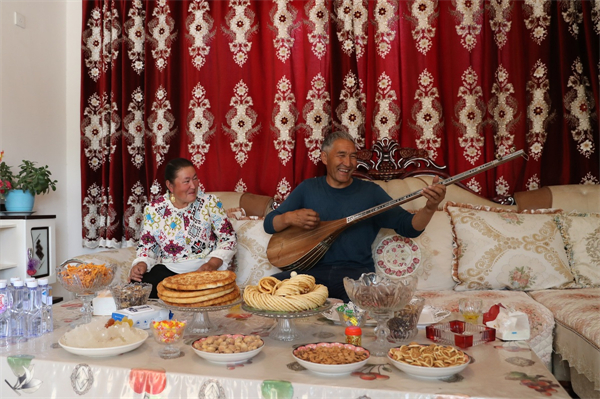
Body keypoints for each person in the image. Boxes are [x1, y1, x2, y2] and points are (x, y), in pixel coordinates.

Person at [263, 131, 446, 302]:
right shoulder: (307, 189)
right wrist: (289, 217)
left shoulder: (371, 193)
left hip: (356, 276)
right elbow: (269, 224)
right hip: (308, 275)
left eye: (353, 157)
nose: (348, 163)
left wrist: (430, 206)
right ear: (324, 158)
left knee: (369, 306)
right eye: (341, 155)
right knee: (267, 291)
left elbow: (409, 227)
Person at [129, 158, 237, 298]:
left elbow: (229, 239)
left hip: (203, 270)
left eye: (195, 179)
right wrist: (141, 263)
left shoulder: (210, 203)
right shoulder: (154, 209)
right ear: (170, 185)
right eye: (186, 181)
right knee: (136, 289)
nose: (193, 186)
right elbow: (147, 246)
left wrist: (213, 263)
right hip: (169, 271)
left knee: (205, 294)